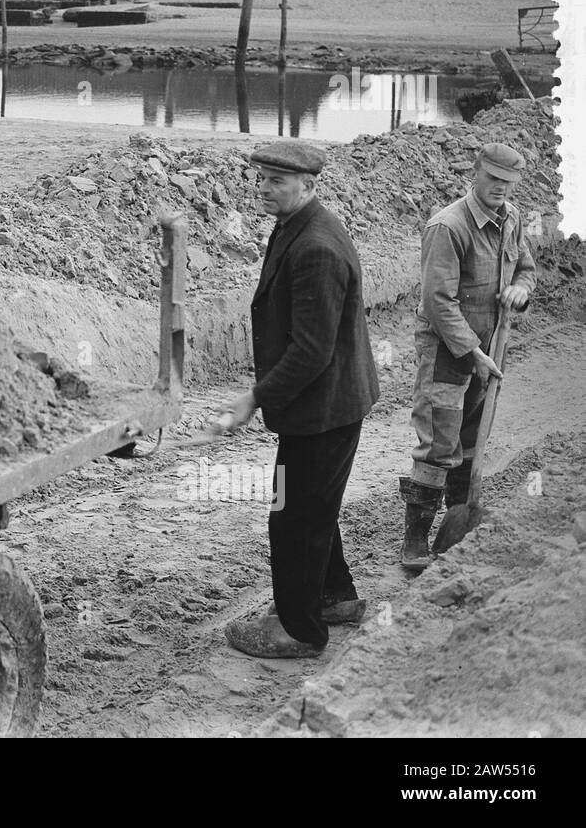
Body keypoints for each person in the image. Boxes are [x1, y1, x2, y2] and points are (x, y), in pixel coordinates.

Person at [220, 142, 380, 659]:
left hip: (324, 406)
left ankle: (300, 630)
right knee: (314, 507)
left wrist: (254, 398)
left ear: (309, 186)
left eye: (275, 181)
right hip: (327, 402)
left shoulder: (315, 247)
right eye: (261, 178)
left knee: (293, 517)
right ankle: (334, 598)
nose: (263, 189)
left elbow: (312, 351)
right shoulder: (298, 225)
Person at [399, 143, 536, 570]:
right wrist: (473, 352)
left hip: (489, 351)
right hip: (448, 351)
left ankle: (458, 528)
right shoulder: (448, 226)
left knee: (472, 440)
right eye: (493, 178)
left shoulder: (510, 219)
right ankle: (416, 539)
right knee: (440, 444)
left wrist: (521, 290)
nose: (500, 188)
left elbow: (526, 270)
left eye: (508, 183)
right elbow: (438, 301)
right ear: (475, 173)